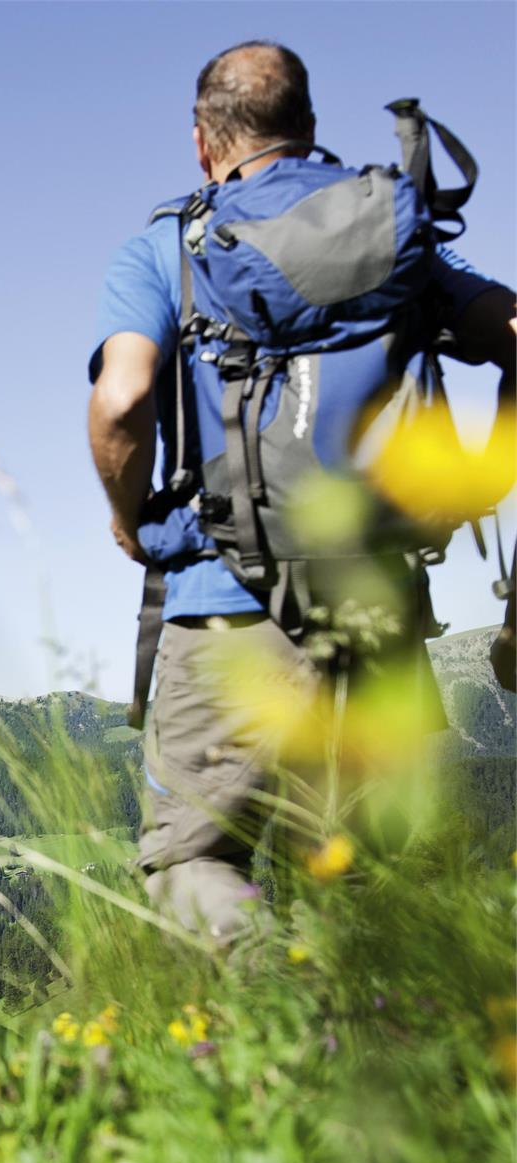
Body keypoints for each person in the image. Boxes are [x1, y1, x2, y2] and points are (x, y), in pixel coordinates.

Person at [87, 40, 516, 941]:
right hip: (379, 609)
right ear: (310, 129)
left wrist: (130, 523)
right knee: (383, 886)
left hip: (221, 605)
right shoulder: (390, 236)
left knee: (194, 863)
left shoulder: (167, 245)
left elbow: (122, 400)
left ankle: (271, 1010)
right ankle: (389, 1067)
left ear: (203, 142)